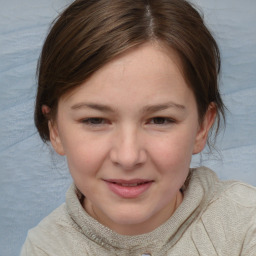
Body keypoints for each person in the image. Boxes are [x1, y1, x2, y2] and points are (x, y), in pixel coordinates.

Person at [21, 0, 256, 255]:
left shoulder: (246, 226)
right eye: (95, 120)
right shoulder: (44, 248)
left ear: (202, 126)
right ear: (54, 129)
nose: (128, 156)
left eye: (160, 120)